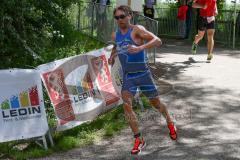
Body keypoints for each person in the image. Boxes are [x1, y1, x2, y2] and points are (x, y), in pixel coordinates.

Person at [108, 5, 177, 155]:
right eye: (117, 17)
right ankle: (139, 139)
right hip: (128, 77)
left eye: (122, 16)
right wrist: (112, 55)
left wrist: (140, 48)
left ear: (129, 16)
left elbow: (157, 41)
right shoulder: (115, 35)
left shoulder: (137, 30)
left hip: (143, 74)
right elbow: (116, 46)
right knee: (126, 105)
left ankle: (170, 122)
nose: (119, 20)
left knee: (156, 104)